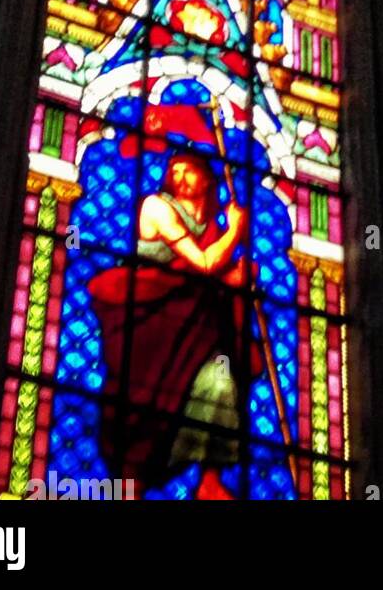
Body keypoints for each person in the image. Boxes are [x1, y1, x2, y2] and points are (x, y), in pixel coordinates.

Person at [87, 151, 258, 500]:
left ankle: (210, 477)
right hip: (148, 321)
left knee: (221, 383)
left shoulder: (211, 223)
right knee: (141, 404)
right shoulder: (156, 207)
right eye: (174, 171)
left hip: (194, 330)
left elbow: (219, 276)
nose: (180, 177)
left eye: (190, 171)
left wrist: (240, 278)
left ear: (208, 179)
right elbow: (206, 263)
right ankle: (131, 483)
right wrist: (236, 231)